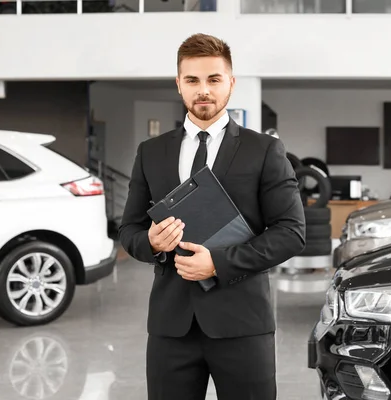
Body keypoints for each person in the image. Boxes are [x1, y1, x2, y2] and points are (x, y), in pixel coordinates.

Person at [118, 33, 306, 400]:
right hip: (171, 326)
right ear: (179, 84)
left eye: (213, 79)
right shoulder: (151, 152)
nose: (203, 90)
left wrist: (218, 263)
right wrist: (152, 243)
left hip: (242, 324)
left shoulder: (264, 150)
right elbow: (129, 229)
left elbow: (291, 231)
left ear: (230, 84)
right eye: (192, 80)